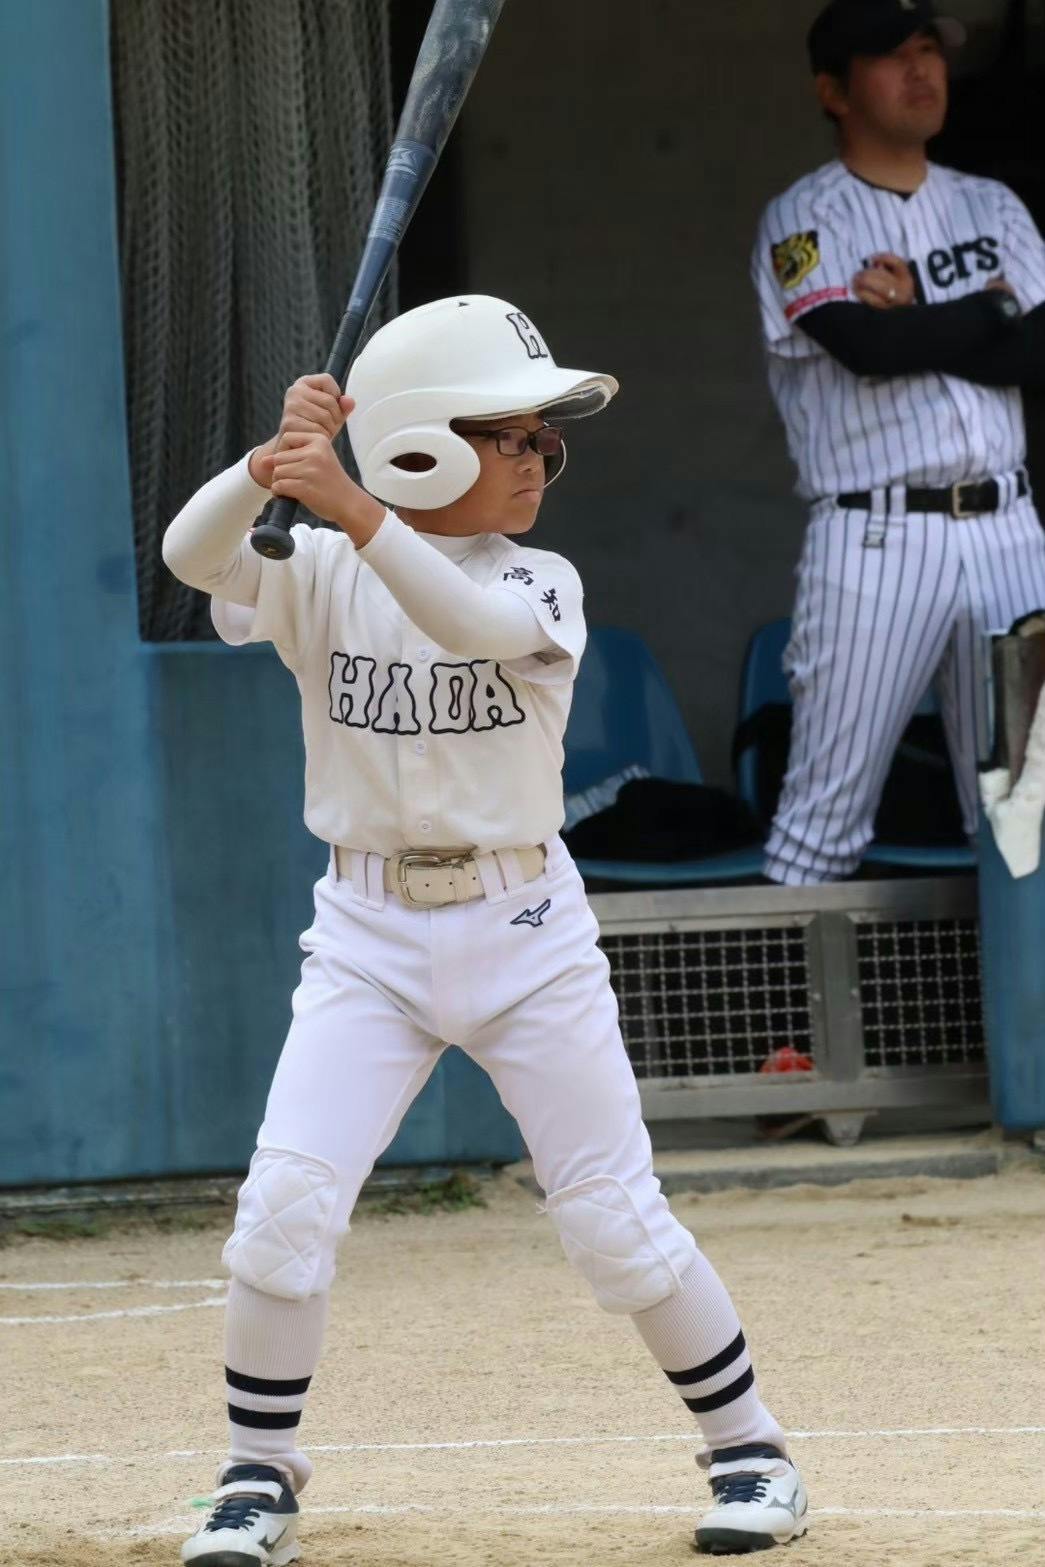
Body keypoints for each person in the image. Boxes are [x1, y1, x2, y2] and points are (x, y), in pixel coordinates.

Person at [162, 295, 809, 1562]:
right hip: (366, 933)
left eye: (541, 441)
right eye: (509, 436)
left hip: (526, 931)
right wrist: (265, 464)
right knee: (283, 1207)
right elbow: (194, 556)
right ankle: (254, 1475)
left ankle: (752, 1453)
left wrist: (352, 508)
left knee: (612, 1218)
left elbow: (465, 623)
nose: (537, 460)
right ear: (417, 446)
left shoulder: (536, 579)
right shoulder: (318, 569)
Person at [752, 0, 1045, 885]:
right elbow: (863, 347)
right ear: (833, 91)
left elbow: (1035, 353)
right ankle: (790, 992)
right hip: (875, 536)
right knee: (820, 828)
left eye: (929, 50)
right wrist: (990, 308)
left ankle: (1011, 990)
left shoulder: (991, 204)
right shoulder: (804, 216)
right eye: (891, 55)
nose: (921, 70)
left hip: (1009, 530)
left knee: (1025, 822)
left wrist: (919, 308)